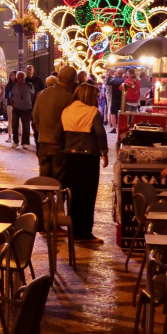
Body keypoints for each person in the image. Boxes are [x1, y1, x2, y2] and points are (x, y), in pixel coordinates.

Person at [60, 84, 109, 244]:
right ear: (89, 96)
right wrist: (104, 152)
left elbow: (61, 132)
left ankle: (73, 231)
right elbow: (100, 133)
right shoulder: (92, 112)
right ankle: (85, 232)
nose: (97, 99)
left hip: (70, 157)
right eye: (95, 96)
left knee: (73, 196)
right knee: (88, 196)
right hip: (88, 158)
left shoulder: (67, 110)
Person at [33, 65, 78, 181]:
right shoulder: (70, 98)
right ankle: (57, 199)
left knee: (43, 180)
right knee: (59, 182)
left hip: (43, 143)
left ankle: (43, 199)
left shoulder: (43, 94)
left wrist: (41, 132)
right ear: (73, 81)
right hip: (60, 147)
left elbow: (35, 118)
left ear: (58, 77)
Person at [8, 71, 36, 148]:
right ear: (17, 78)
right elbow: (10, 97)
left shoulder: (29, 86)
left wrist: (29, 102)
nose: (21, 79)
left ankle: (25, 142)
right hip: (16, 108)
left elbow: (33, 95)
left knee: (26, 126)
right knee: (14, 125)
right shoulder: (13, 87)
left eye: (22, 77)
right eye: (19, 77)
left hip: (26, 108)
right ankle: (15, 141)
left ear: (24, 78)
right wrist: (14, 105)